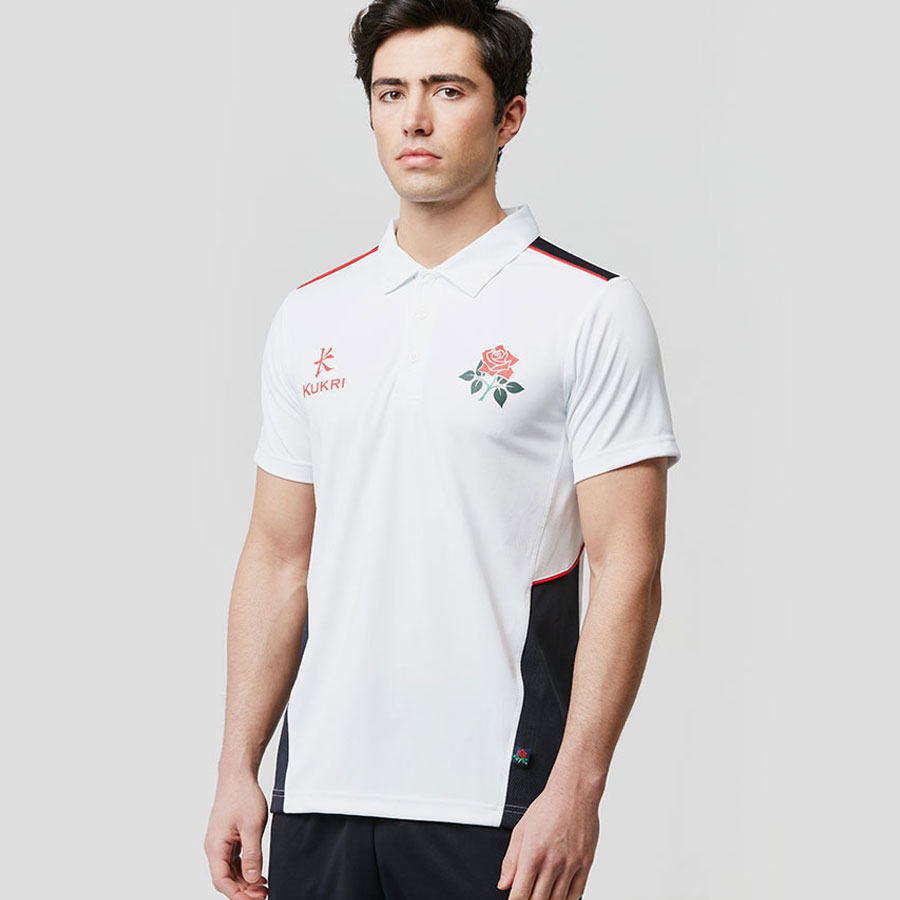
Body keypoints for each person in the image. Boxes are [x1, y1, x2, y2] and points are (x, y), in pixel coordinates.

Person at [204, 1, 682, 898]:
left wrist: (577, 787)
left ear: (509, 116)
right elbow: (277, 557)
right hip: (318, 792)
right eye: (391, 92)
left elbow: (629, 567)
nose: (414, 118)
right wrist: (238, 764)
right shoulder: (313, 313)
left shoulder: (588, 309)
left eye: (448, 90)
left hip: (494, 796)